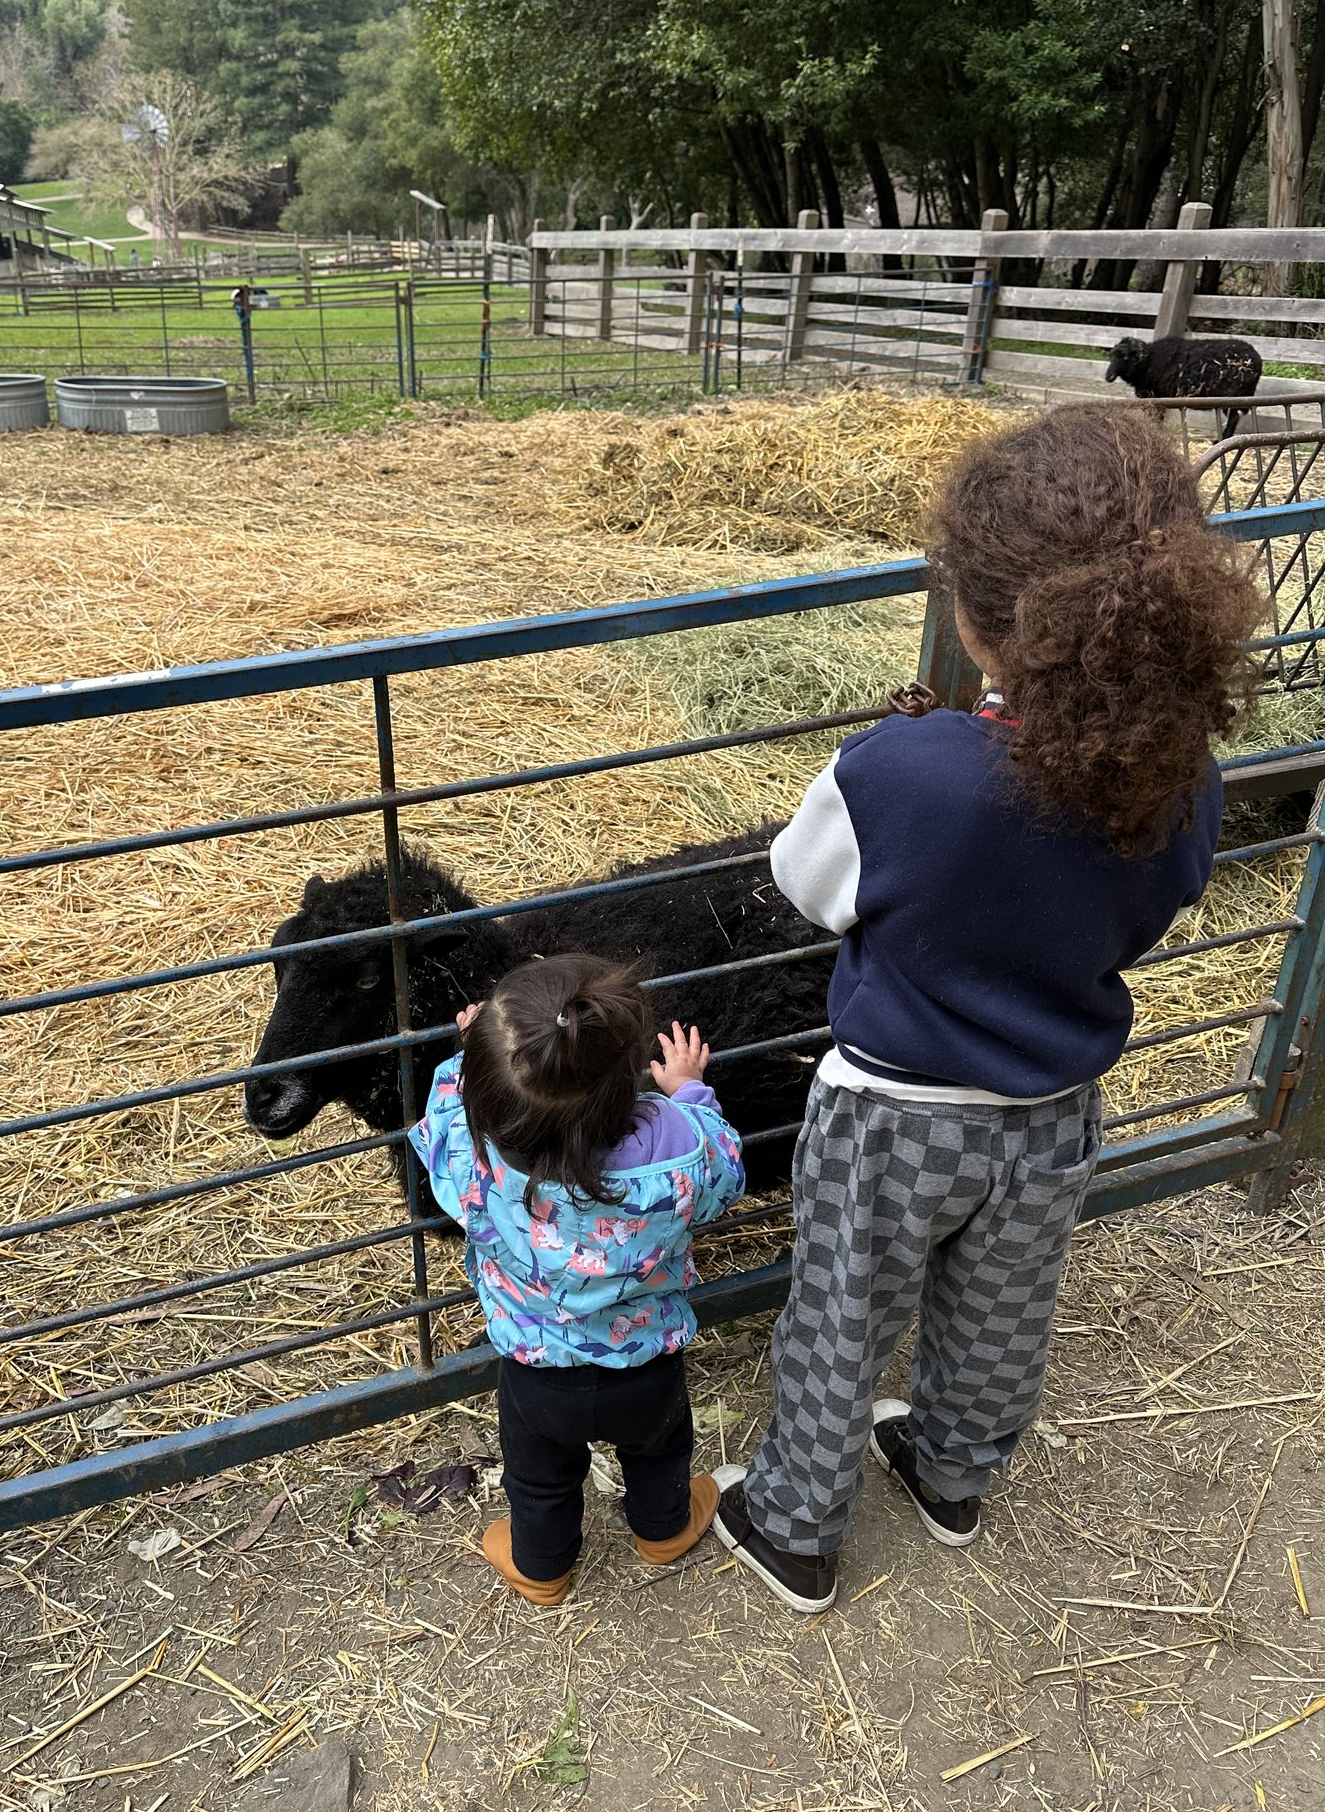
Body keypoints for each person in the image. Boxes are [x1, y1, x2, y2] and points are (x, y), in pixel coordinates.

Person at [713, 403, 1263, 1614]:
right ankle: (953, 1475)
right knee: (1004, 1305)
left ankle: (795, 1527)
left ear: (976, 618)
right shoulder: (1188, 780)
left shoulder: (900, 770)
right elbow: (1143, 909)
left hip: (894, 1115)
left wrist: (892, 760)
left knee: (843, 1315)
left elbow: (806, 891)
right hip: (1053, 1110)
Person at [410, 953, 746, 1606]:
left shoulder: (476, 1160)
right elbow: (725, 1168)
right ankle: (663, 1530)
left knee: (538, 1480)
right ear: (626, 1075)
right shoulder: (673, 1143)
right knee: (660, 1452)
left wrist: (480, 1059)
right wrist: (688, 1091)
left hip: (536, 1373)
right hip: (648, 1362)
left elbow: (446, 1119)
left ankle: (542, 1568)